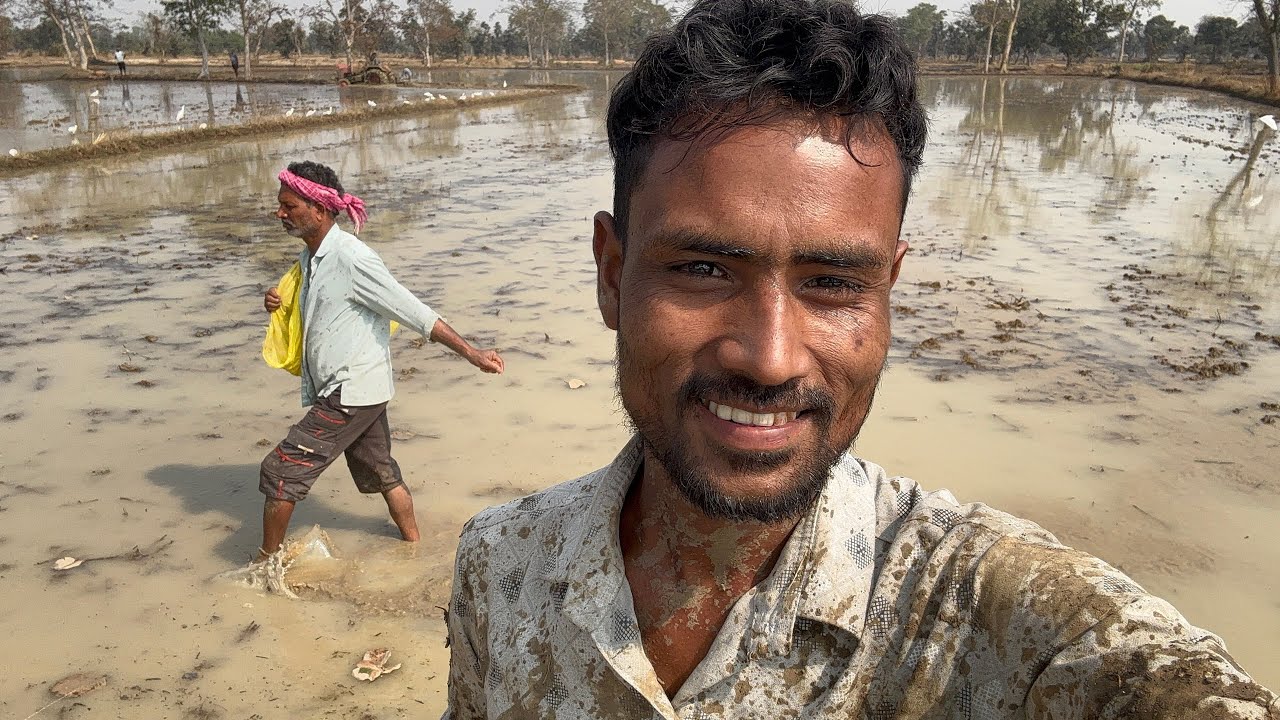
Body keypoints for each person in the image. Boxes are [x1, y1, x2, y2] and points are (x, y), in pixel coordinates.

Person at [440, 1, 1280, 718]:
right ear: (612, 274)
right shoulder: (499, 565)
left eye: (833, 281)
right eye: (703, 269)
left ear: (889, 286)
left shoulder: (988, 615)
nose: (770, 359)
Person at [258, 161, 504, 562]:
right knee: (381, 470)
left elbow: (412, 310)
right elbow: (311, 302)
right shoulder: (311, 258)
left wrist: (472, 353)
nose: (280, 214)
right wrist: (276, 298)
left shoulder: (352, 259)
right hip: (361, 389)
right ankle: (416, 548)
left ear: (319, 210)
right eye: (280, 205)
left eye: (289, 206)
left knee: (281, 471)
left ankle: (264, 567)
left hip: (348, 391)